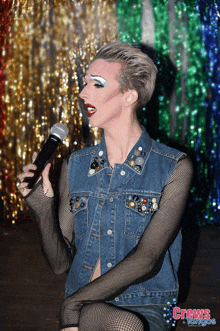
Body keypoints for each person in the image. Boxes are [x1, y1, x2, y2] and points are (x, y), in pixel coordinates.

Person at [18, 42, 193, 331]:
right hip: (86, 306)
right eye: (84, 83)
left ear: (129, 96)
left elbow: (147, 260)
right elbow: (61, 264)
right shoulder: (77, 165)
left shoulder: (173, 166)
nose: (83, 93)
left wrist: (71, 304)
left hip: (145, 304)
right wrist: (41, 206)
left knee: (125, 324)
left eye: (96, 84)